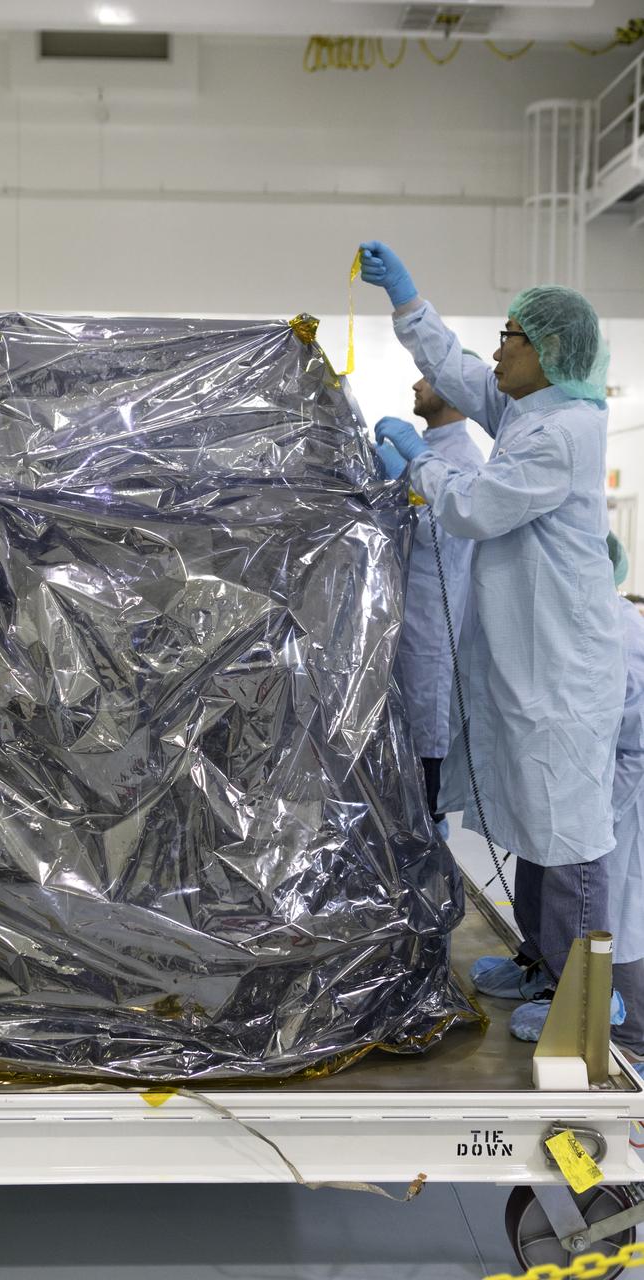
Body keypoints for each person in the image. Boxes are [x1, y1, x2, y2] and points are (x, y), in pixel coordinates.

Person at [359, 239, 626, 1038]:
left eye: (511, 337)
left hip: (561, 671)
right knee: (534, 828)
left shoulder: (561, 431)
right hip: (527, 666)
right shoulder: (526, 410)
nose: (498, 350)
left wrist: (418, 463)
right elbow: (453, 366)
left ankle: (585, 1001)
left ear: (547, 351)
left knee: (566, 837)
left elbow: (475, 508)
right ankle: (542, 963)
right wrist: (405, 299)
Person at [375, 377, 483, 840]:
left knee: (424, 765)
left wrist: (401, 488)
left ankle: (431, 855)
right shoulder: (431, 453)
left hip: (432, 638)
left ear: (456, 389)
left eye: (430, 376)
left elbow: (438, 534)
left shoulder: (465, 461)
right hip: (401, 632)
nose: (416, 383)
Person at [605, 533, 644, 1076]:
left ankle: (632, 1035)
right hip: (620, 783)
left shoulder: (618, 628)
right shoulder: (608, 620)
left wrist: (601, 810)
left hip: (629, 789)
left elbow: (634, 738)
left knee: (625, 904)